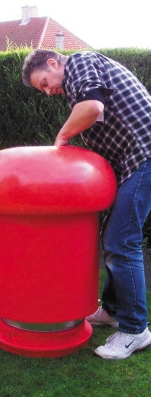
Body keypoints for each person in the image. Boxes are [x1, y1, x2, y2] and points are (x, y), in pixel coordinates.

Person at [22, 49, 151, 359]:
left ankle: (136, 330)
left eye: (44, 83)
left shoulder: (79, 62)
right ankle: (112, 310)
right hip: (132, 163)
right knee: (113, 237)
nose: (48, 91)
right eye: (43, 90)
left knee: (121, 241)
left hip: (146, 156)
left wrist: (61, 138)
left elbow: (92, 107)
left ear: (53, 63)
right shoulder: (77, 87)